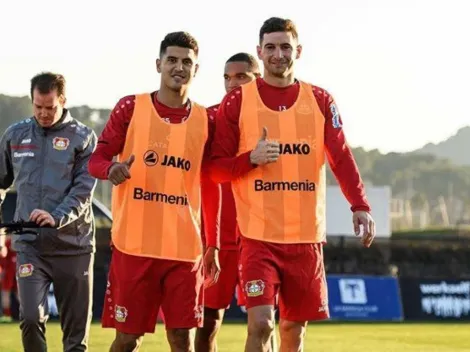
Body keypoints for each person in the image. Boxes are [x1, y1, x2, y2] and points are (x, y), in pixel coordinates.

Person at [210, 17, 376, 351]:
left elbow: (340, 156)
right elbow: (215, 170)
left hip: (305, 237)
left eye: (285, 47)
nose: (278, 54)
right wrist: (250, 159)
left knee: (293, 331)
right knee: (260, 324)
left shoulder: (320, 99)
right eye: (270, 47)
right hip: (258, 237)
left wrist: (359, 206)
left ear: (298, 51)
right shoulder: (237, 101)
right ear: (260, 52)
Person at [88, 31, 220, 352]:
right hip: (135, 247)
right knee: (128, 340)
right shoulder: (131, 107)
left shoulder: (207, 119)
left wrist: (212, 244)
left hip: (184, 250)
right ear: (158, 63)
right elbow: (97, 159)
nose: (179, 67)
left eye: (186, 62)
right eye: (172, 60)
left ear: (196, 69)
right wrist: (112, 170)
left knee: (182, 340)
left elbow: (214, 182)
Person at [0, 72, 97, 351]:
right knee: (30, 318)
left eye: (50, 107)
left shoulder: (84, 138)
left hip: (74, 247)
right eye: (38, 106)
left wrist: (56, 217)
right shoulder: (15, 135)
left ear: (63, 101)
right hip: (31, 246)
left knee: (75, 337)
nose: (43, 113)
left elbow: (82, 192)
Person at [195, 53, 261, 352]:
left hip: (260, 236)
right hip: (219, 237)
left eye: (241, 77)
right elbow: (209, 173)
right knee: (208, 322)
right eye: (227, 77)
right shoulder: (208, 117)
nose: (232, 84)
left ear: (257, 79)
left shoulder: (274, 119)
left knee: (264, 322)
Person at [0, 235, 17, 323]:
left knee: (5, 293)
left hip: (8, 269)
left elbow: (3, 254)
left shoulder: (6, 241)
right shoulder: (21, 238)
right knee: (20, 294)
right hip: (19, 267)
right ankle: (26, 314)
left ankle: (7, 315)